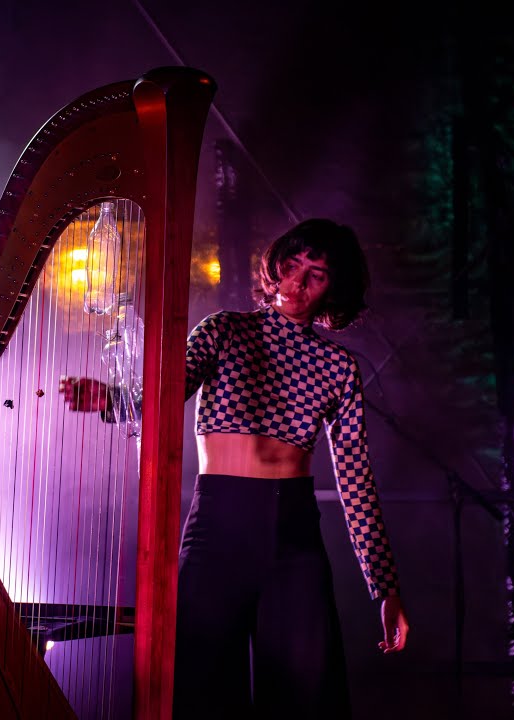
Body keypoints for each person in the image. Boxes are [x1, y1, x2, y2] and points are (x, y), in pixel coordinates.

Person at [59, 217, 409, 719]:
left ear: (335, 288)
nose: (297, 283)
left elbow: (356, 483)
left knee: (305, 697)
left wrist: (386, 589)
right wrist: (111, 399)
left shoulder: (339, 368)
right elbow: (157, 400)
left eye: (317, 275)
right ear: (276, 267)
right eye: (292, 266)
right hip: (216, 526)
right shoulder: (224, 330)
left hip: (293, 539)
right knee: (198, 689)